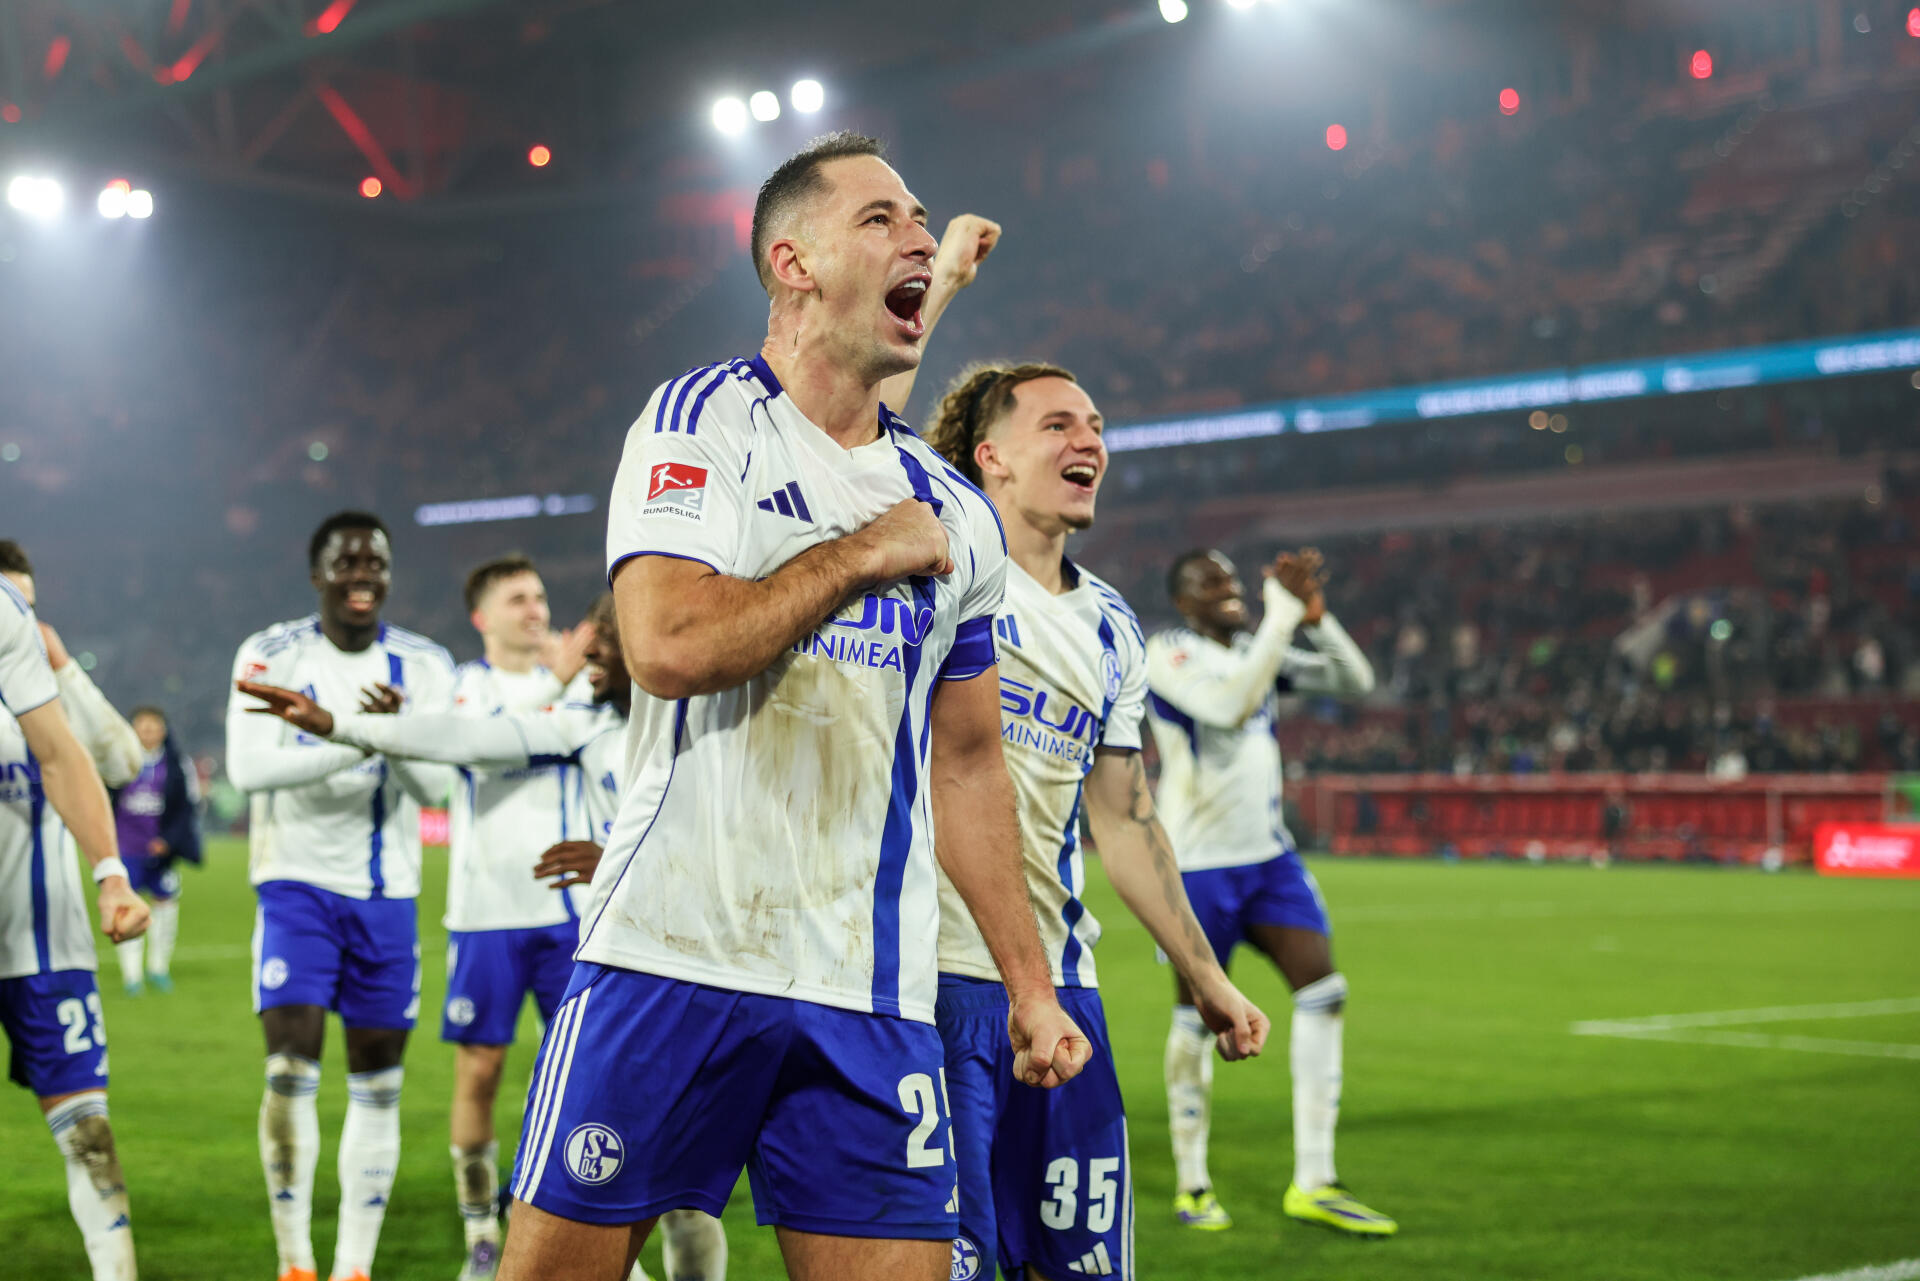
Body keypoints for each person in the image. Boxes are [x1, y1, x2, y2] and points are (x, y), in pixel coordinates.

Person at [493, 132, 1088, 1281]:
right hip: (670, 958)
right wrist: (860, 555)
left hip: (868, 994)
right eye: (880, 219)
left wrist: (1028, 982)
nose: (916, 235)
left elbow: (968, 765)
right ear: (792, 263)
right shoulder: (698, 426)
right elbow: (666, 644)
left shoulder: (955, 514)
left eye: (920, 219)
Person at [242, 595, 730, 1281]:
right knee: (625, 1171)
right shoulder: (580, 724)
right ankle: (489, 1235)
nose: (587, 650)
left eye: (607, 640)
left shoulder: (716, 718)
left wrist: (625, 859)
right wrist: (340, 725)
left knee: (690, 1197)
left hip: (718, 981)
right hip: (627, 976)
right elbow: (464, 739)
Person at [923, 362, 1270, 1280]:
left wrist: (1205, 976)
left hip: (1064, 984)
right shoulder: (928, 573)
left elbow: (1125, 819)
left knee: (1078, 1267)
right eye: (1058, 425)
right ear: (987, 456)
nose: (1089, 442)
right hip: (929, 982)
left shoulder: (1112, 624)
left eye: (1097, 426)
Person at [225, 509, 457, 1281]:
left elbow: (440, 789)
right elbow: (249, 772)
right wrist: (355, 734)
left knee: (378, 1081)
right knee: (289, 1068)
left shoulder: (424, 666)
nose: (364, 574)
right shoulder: (270, 653)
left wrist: (366, 733)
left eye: (377, 562)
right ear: (318, 572)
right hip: (295, 883)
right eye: (347, 562)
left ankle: (353, 1267)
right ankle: (296, 1262)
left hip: (388, 894)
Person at [1145, 547, 1393, 1236]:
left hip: (1268, 858)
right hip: (1197, 866)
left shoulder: (1261, 645)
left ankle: (1315, 1178)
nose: (1228, 589)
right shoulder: (1168, 653)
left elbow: (1354, 677)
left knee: (1323, 990)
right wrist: (1281, 620)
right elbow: (1228, 707)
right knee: (1197, 1017)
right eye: (1209, 582)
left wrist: (1314, 618)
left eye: (1229, 579)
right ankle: (1194, 1183)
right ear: (1183, 599)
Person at [436, 554, 592, 1280]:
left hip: (570, 916)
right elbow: (479, 753)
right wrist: (556, 683)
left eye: (539, 595)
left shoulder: (585, 683)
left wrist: (569, 680)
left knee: (586, 1073)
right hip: (486, 912)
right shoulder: (466, 688)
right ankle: (479, 1229)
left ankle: (570, 1216)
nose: (536, 609)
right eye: (518, 598)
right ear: (482, 616)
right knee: (482, 1070)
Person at [1, 570, 150, 1281]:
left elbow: (91, 758)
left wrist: (111, 875)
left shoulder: (13, 636)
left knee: (90, 1133)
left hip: (47, 938)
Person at [110, 706, 202, 996]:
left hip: (162, 852)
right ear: (133, 728)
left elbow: (187, 807)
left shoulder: (177, 764)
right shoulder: (118, 760)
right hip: (125, 849)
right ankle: (132, 976)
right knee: (127, 911)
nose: (148, 731)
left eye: (154, 725)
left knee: (165, 907)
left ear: (163, 729)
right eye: (142, 725)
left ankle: (159, 969)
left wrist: (169, 840)